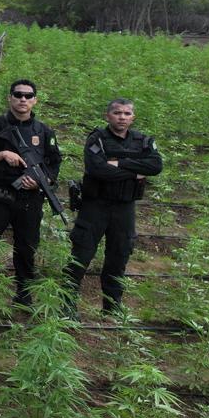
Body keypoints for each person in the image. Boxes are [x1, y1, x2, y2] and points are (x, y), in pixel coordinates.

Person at [0, 79, 62, 306]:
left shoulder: (44, 131)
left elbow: (54, 162)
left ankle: (24, 295)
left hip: (30, 199)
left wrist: (40, 182)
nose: (23, 99)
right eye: (18, 95)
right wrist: (1, 155)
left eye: (28, 96)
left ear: (35, 100)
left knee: (27, 248)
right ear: (10, 97)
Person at [63, 98, 162, 314]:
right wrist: (135, 172)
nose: (122, 117)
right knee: (81, 256)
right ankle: (66, 307)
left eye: (127, 114)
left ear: (133, 118)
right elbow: (98, 169)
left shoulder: (143, 141)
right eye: (117, 113)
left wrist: (120, 164)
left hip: (124, 208)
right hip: (95, 206)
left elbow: (155, 165)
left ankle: (111, 309)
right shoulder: (96, 139)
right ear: (108, 116)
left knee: (119, 257)